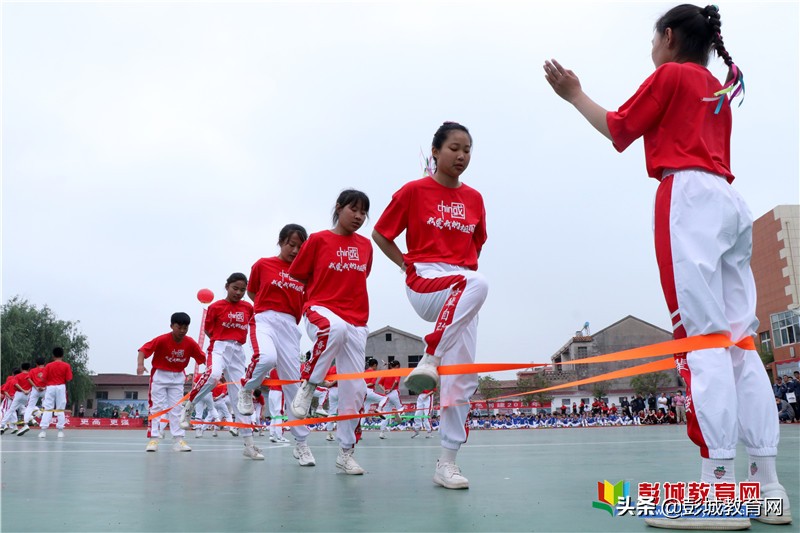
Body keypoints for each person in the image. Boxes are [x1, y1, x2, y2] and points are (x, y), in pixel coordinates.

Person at [545, 4, 790, 527]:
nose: (651, 48)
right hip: (729, 201)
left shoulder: (671, 75)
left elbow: (619, 128)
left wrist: (574, 95)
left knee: (704, 342)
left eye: (654, 38)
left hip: (688, 198)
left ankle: (718, 491)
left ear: (670, 36)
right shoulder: (716, 86)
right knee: (740, 343)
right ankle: (768, 487)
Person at [372, 121, 488, 490]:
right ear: (435, 152)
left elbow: (477, 245)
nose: (462, 155)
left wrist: (462, 274)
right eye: (454, 148)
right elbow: (380, 234)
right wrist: (406, 264)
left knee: (461, 378)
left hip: (463, 289)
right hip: (426, 279)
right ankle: (431, 357)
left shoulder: (475, 199)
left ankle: (447, 463)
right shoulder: (413, 191)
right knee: (477, 283)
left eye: (467, 150)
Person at [288, 189, 373, 475]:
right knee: (333, 328)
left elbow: (361, 275)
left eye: (363, 212)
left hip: (357, 320)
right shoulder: (318, 240)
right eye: (353, 209)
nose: (359, 216)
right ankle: (309, 385)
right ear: (338, 208)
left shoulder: (365, 246)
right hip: (322, 309)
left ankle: (346, 453)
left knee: (356, 390)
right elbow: (298, 273)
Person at [237, 223, 315, 466]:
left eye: (300, 247)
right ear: (281, 242)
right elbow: (253, 293)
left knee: (294, 388)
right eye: (291, 244)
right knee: (266, 357)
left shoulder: (306, 273)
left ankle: (301, 444)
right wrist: (268, 306)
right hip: (265, 320)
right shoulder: (262, 265)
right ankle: (246, 389)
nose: (295, 250)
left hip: (290, 327)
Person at [180, 273, 263, 460]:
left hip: (238, 351)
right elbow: (208, 329)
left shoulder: (248, 308)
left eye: (242, 290)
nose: (238, 293)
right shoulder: (216, 307)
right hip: (219, 347)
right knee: (213, 375)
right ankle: (189, 406)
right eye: (235, 288)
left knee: (240, 396)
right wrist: (220, 341)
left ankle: (249, 445)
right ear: (227, 287)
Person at [137, 312, 206, 452]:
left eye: (185, 328)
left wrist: (214, 368)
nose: (182, 331)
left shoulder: (190, 343)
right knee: (156, 407)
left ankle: (178, 439)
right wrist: (140, 365)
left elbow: (203, 358)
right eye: (179, 327)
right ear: (171, 326)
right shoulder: (162, 340)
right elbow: (143, 350)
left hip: (178, 378)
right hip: (160, 376)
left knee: (177, 409)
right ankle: (153, 439)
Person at [38, 348, 73, 438]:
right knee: (60, 409)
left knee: (48, 408)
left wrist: (41, 376)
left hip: (50, 387)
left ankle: (43, 431)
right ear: (62, 355)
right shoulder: (66, 365)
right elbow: (69, 378)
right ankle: (60, 431)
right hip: (61, 387)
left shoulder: (48, 365)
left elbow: (43, 378)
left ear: (53, 356)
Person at [19, 357, 47, 435]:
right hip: (45, 390)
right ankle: (44, 425)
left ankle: (25, 424)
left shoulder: (32, 370)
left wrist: (35, 387)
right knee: (47, 407)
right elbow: (50, 380)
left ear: (36, 364)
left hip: (35, 390)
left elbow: (28, 378)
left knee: (30, 407)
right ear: (44, 363)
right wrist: (44, 387)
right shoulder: (47, 370)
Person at [376, 360, 403, 439]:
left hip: (387, 395)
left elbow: (379, 383)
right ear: (397, 366)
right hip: (394, 392)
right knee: (401, 408)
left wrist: (385, 390)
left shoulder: (386, 373)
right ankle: (398, 416)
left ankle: (382, 432)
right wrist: (391, 389)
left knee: (386, 414)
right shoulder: (397, 372)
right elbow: (396, 382)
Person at [1, 363, 31, 434]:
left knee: (11, 410)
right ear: (29, 368)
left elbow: (15, 384)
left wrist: (23, 390)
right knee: (25, 409)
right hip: (27, 395)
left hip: (19, 394)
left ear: (21, 368)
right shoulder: (30, 375)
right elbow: (32, 384)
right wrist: (28, 391)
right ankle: (28, 422)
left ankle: (2, 425)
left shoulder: (17, 376)